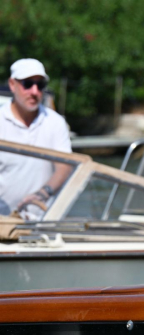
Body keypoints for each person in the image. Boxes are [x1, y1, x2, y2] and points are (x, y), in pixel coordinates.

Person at [0, 58, 72, 217]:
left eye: (40, 85)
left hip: (43, 220)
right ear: (12, 85)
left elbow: (65, 165)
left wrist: (43, 193)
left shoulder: (56, 122)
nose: (34, 91)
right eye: (27, 84)